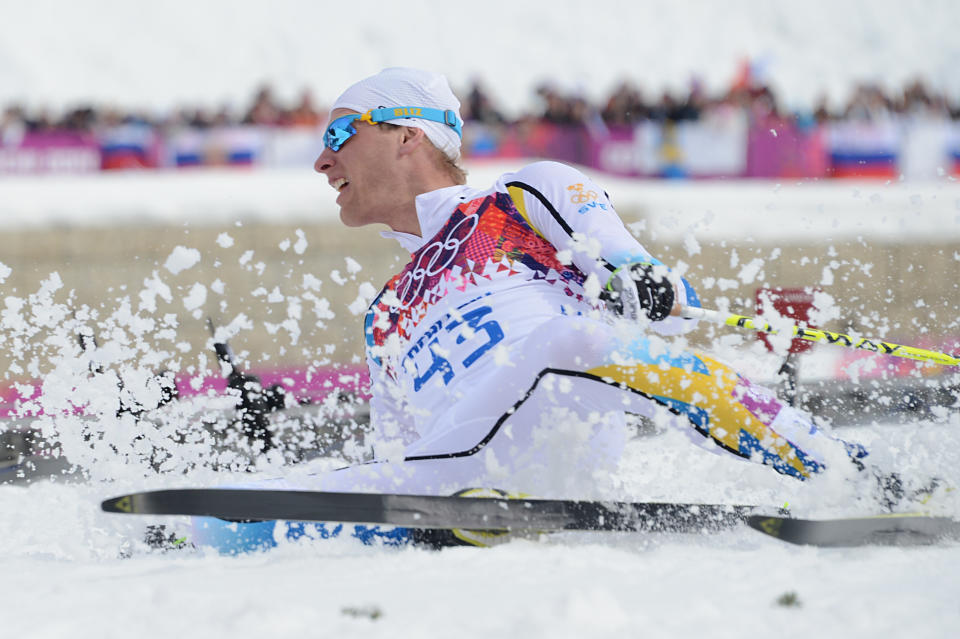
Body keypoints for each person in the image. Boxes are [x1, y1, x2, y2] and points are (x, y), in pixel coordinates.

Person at [188, 68, 913, 552]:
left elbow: (620, 259)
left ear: (407, 134)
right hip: (448, 477)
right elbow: (393, 463)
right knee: (219, 509)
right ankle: (179, 533)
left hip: (555, 418)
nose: (322, 162)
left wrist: (641, 281)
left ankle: (856, 474)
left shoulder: (518, 199)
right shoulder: (382, 313)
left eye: (338, 137)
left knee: (570, 337)